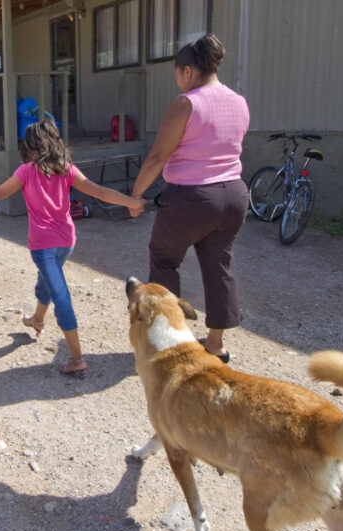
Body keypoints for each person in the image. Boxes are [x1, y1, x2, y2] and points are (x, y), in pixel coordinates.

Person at [0, 119, 146, 374]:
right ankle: (37, 319)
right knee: (48, 281)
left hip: (43, 246)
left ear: (29, 146)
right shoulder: (66, 168)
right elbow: (100, 192)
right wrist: (133, 202)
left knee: (60, 295)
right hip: (66, 242)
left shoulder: (26, 171)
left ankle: (77, 358)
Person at [130, 34, 250, 363]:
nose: (178, 82)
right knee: (219, 264)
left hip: (192, 198)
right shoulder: (239, 102)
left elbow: (158, 156)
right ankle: (215, 345)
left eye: (177, 75)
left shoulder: (186, 103)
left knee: (164, 260)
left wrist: (136, 194)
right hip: (234, 195)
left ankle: (168, 342)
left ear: (187, 71)